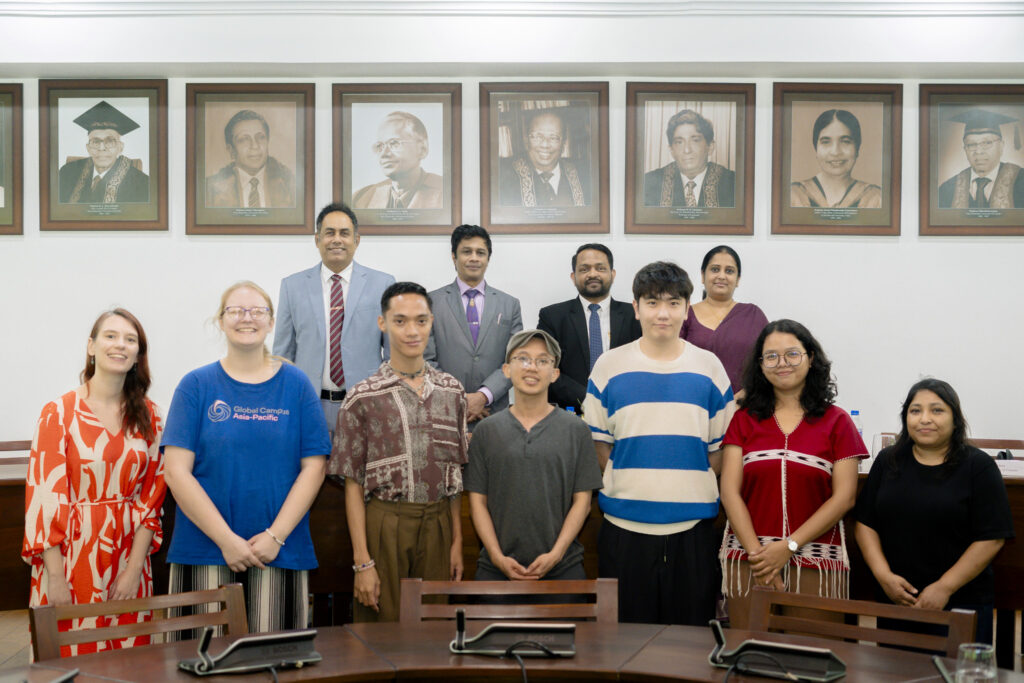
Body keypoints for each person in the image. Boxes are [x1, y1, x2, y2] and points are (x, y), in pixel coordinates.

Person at [162, 281, 329, 635]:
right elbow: (176, 472)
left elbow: (315, 468)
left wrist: (275, 536)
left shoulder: (297, 385)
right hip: (204, 551)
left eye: (257, 311)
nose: (246, 318)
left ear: (271, 322)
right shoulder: (195, 385)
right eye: (236, 311)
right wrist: (226, 540)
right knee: (200, 660)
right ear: (220, 321)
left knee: (273, 659)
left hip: (279, 553)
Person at [582, 261, 735, 625]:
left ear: (687, 308)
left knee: (689, 644)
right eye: (652, 302)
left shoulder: (710, 367)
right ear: (636, 308)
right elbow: (599, 448)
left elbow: (720, 451)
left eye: (673, 302)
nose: (662, 313)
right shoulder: (608, 366)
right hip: (624, 530)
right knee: (624, 641)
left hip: (693, 532)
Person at [23, 309, 164, 656]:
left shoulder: (151, 416)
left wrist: (134, 570)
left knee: (130, 658)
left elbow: (152, 498)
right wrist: (56, 577)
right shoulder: (58, 413)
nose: (120, 345)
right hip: (70, 558)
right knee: (71, 656)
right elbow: (44, 499)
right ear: (91, 346)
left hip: (128, 553)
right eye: (110, 336)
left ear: (138, 355)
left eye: (130, 340)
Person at [330, 281, 469, 622]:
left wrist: (455, 542)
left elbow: (454, 477)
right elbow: (352, 485)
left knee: (435, 629)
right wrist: (362, 562)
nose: (412, 331)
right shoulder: (362, 397)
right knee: (383, 630)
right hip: (386, 523)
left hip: (438, 525)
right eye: (400, 321)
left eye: (421, 320)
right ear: (383, 323)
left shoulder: (452, 391)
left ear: (431, 322)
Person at [718, 319, 867, 629]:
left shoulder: (838, 421)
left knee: (811, 653)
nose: (782, 363)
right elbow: (730, 492)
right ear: (760, 365)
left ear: (810, 358)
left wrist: (788, 547)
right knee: (749, 652)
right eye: (771, 356)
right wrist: (760, 558)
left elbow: (845, 497)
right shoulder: (743, 419)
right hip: (750, 561)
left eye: (792, 354)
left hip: (815, 564)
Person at [855, 379, 1013, 645]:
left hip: (960, 602)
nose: (924, 419)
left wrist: (944, 587)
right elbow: (865, 524)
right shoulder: (888, 461)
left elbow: (992, 537)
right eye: (915, 410)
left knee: (956, 669)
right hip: (896, 598)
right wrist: (884, 577)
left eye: (937, 410)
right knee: (894, 666)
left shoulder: (978, 466)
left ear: (955, 419)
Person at [465, 329, 603, 582]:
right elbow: (477, 502)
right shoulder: (486, 431)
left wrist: (556, 554)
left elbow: (582, 503)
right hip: (495, 570)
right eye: (523, 359)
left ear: (555, 373)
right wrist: (496, 556)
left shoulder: (577, 430)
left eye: (542, 360)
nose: (532, 367)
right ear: (506, 370)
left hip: (564, 568)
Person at [274, 202, 395, 434]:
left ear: (356, 240)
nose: (337, 240)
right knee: (314, 459)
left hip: (367, 405)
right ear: (317, 239)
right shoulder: (292, 286)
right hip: (309, 405)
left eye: (344, 233)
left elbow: (392, 355)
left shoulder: (383, 284)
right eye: (329, 233)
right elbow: (283, 355)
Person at [425, 224, 523, 427]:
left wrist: (483, 396)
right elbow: (426, 360)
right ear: (454, 256)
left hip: (494, 413)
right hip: (444, 412)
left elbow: (515, 359)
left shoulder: (510, 304)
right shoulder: (430, 302)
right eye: (466, 252)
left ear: (488, 258)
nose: (474, 258)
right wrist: (460, 398)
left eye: (480, 252)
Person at [537, 243, 641, 412]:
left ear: (613, 274)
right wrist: (589, 399)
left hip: (625, 409)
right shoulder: (552, 316)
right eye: (584, 269)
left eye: (600, 268)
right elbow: (545, 367)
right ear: (573, 277)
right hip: (570, 412)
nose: (593, 274)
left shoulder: (635, 315)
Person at [681, 245, 767, 396]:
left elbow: (769, 360)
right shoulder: (685, 315)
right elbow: (672, 361)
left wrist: (743, 396)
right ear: (702, 275)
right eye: (715, 269)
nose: (721, 276)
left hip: (746, 403)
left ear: (738, 279)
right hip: (695, 400)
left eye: (729, 271)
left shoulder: (753, 315)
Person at [58, 100, 150, 204]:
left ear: (120, 148)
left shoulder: (141, 184)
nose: (101, 148)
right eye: (95, 142)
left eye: (110, 141)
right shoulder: (67, 173)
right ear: (88, 148)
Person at [643, 109, 735, 208]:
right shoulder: (648, 183)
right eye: (679, 142)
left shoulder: (733, 183)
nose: (687, 150)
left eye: (695, 140)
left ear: (710, 147)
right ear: (671, 150)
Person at [790, 109, 882, 209]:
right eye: (826, 142)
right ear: (816, 149)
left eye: (845, 141)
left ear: (857, 148)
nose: (835, 152)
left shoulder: (876, 198)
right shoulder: (793, 195)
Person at [206, 109, 296, 209]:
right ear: (231, 150)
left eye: (261, 137)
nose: (255, 146)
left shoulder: (289, 184)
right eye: (244, 139)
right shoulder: (210, 191)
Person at [499, 110, 590, 207]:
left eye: (553, 138)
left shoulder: (585, 174)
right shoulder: (503, 178)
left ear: (563, 143)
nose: (545, 145)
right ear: (526, 140)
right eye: (538, 136)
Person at [353, 111, 443, 209]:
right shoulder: (362, 199)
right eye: (380, 146)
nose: (383, 154)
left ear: (422, 149)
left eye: (394, 143)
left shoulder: (447, 193)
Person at [938, 108, 1024, 209]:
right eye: (971, 144)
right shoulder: (947, 189)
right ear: (965, 149)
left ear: (1001, 146)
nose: (979, 151)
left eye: (987, 143)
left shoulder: (1021, 181)